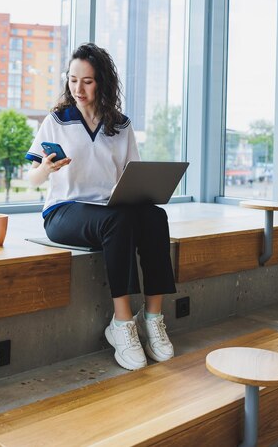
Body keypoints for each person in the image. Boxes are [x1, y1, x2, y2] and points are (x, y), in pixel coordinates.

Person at [26, 43, 177, 371]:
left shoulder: (120, 125)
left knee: (154, 216)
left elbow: (132, 175)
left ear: (103, 83)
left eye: (88, 81)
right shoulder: (57, 121)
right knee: (118, 222)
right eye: (73, 79)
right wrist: (46, 169)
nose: (78, 88)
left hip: (109, 209)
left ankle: (152, 316)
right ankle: (121, 324)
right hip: (65, 211)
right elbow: (33, 179)